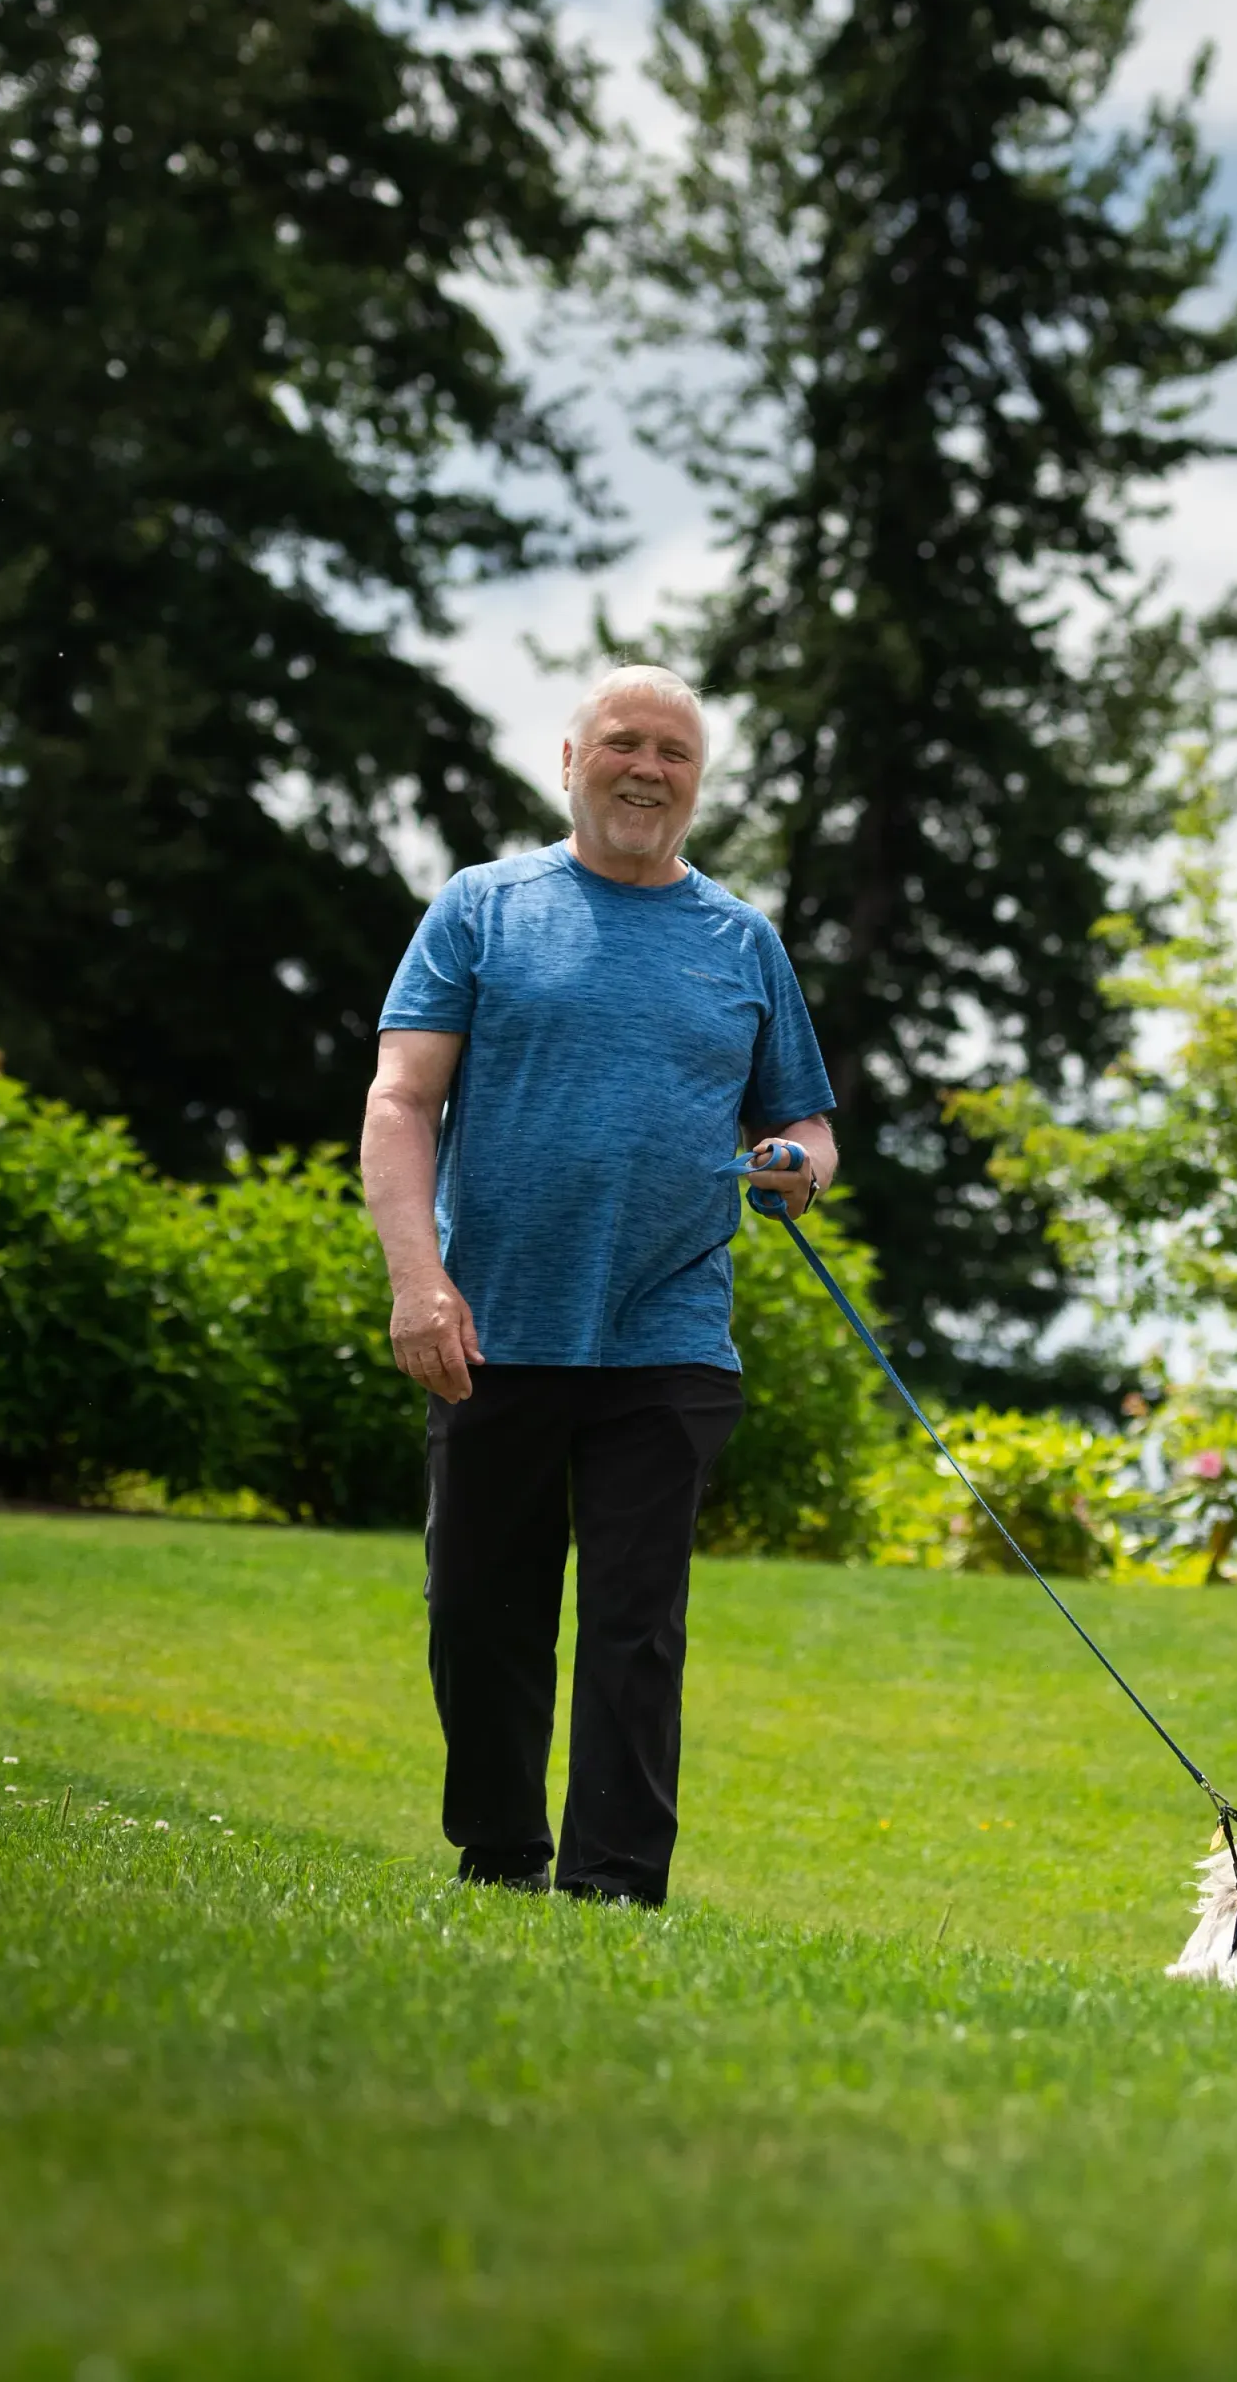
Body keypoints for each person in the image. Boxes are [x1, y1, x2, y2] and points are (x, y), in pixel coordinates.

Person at [361, 666, 837, 1906]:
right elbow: (402, 1100)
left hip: (666, 1335)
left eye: (674, 752)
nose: (647, 768)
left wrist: (797, 1164)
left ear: (697, 782)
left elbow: (805, 1122)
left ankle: (616, 1883)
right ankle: (500, 1850)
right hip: (493, 1325)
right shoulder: (482, 909)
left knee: (635, 1624)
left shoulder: (742, 941)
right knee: (480, 1612)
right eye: (623, 743)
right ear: (568, 760)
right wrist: (419, 1284)